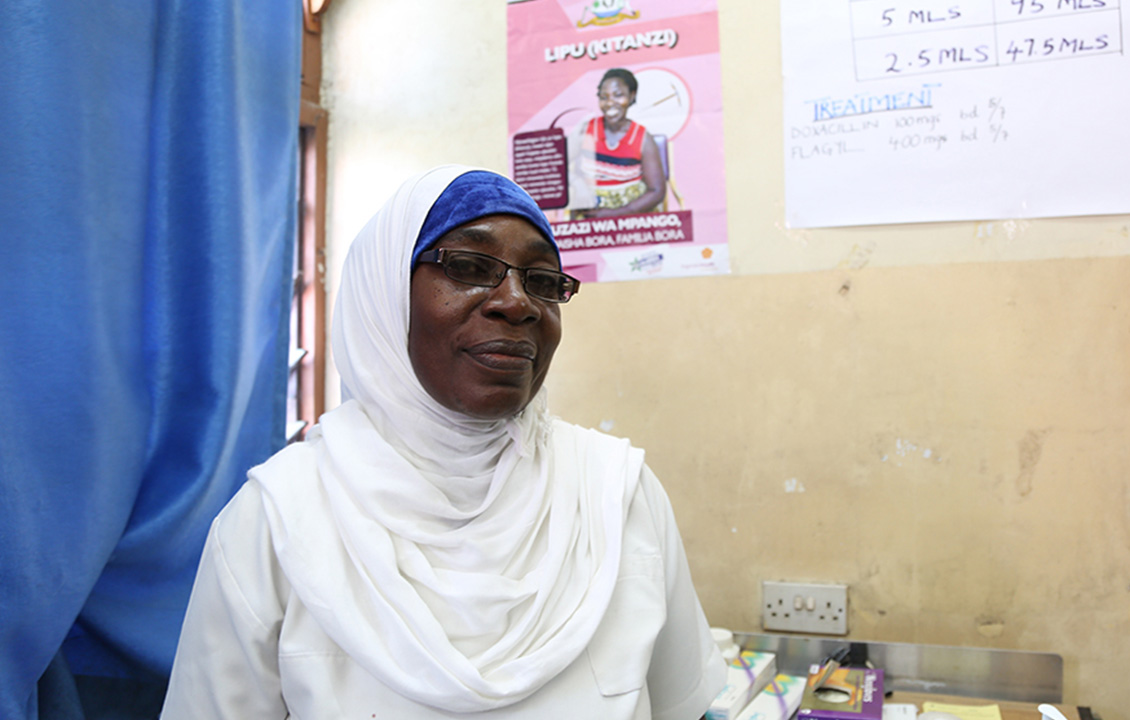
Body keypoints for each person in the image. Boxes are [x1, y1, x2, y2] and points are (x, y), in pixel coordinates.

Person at [159, 166, 726, 719]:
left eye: (544, 281)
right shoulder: (277, 520)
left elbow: (679, 702)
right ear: (385, 296)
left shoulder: (615, 495)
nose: (517, 302)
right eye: (470, 266)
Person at [577, 68, 667, 217]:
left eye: (618, 95)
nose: (610, 103)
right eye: (604, 97)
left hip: (631, 216)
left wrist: (618, 213)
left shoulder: (642, 137)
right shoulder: (585, 131)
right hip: (591, 216)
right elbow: (566, 175)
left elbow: (657, 191)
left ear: (632, 96)